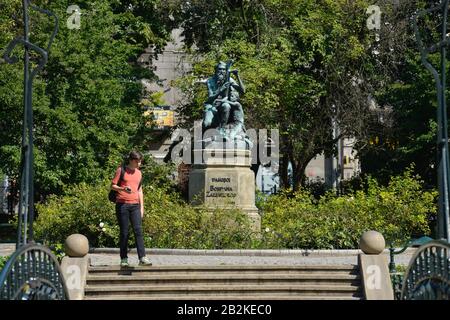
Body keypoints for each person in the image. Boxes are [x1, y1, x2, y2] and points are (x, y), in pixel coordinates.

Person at [111, 151, 152, 267]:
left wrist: (142, 207)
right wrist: (123, 189)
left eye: (140, 161)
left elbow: (140, 190)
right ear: (131, 160)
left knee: (138, 231)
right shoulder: (121, 170)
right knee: (124, 232)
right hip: (122, 205)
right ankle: (124, 259)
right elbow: (112, 186)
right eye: (137, 161)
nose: (139, 163)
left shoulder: (139, 173)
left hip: (135, 206)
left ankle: (142, 257)